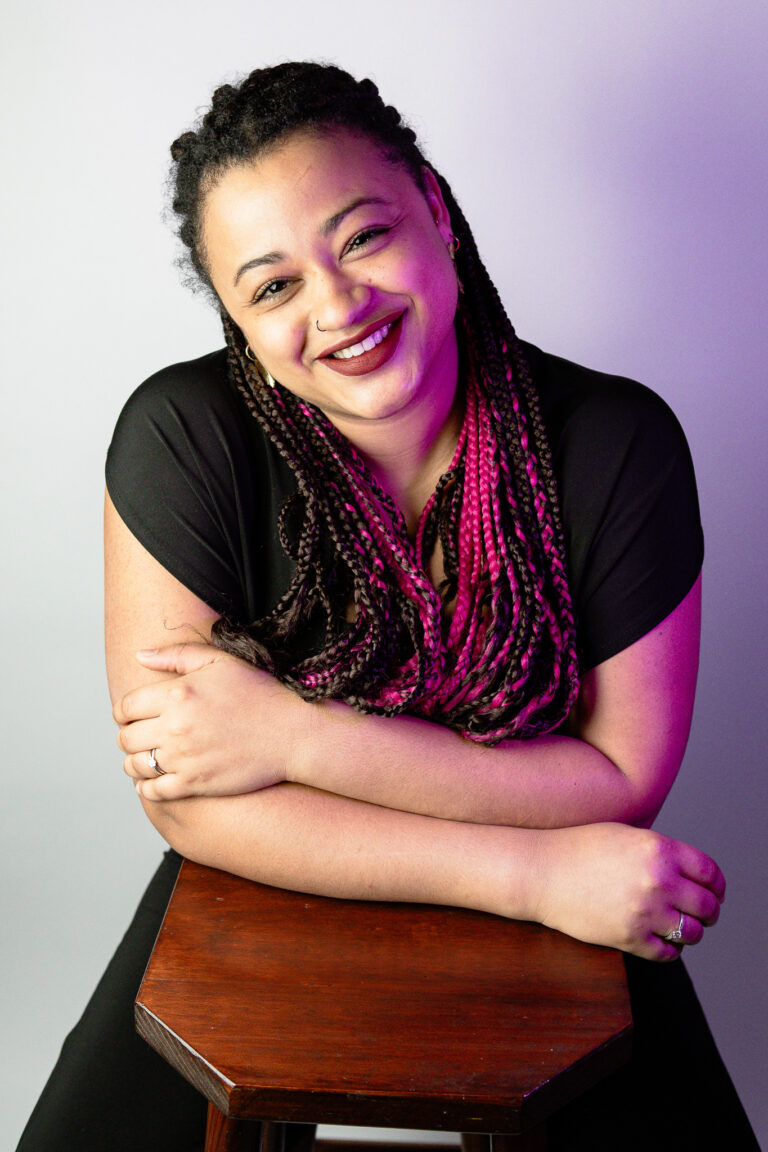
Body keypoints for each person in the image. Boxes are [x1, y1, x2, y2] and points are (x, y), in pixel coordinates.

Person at [16, 62, 758, 1151]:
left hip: (568, 921)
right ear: (236, 317)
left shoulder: (615, 441)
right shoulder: (184, 436)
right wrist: (534, 868)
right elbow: (190, 805)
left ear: (438, 213)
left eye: (363, 237)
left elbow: (619, 781)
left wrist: (287, 735)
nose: (338, 307)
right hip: (266, 886)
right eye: (272, 287)